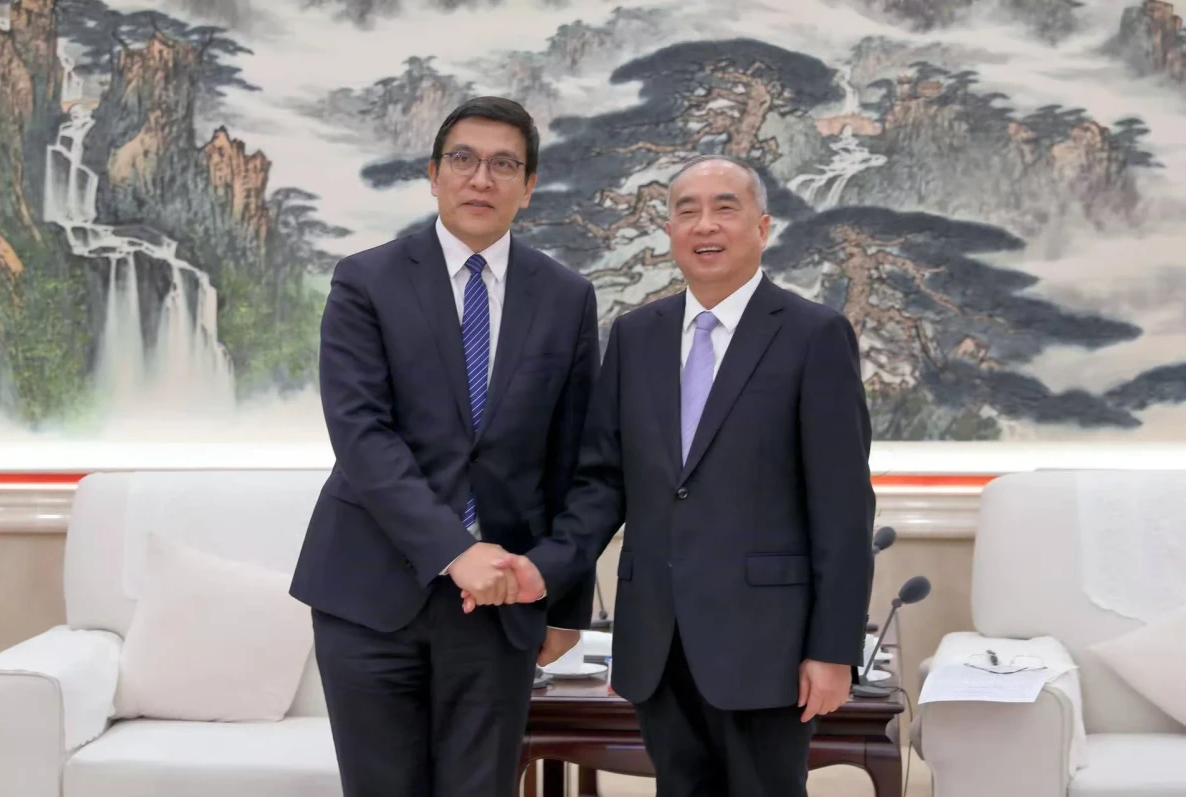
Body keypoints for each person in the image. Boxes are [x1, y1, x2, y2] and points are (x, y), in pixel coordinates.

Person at [473, 154, 876, 796]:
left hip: (767, 644)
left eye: (724, 208)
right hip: (657, 642)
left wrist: (833, 650)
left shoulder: (813, 335)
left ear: (762, 226)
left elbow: (844, 508)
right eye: (687, 210)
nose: (704, 224)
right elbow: (602, 483)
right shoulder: (637, 336)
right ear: (669, 232)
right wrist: (545, 568)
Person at [289, 96, 597, 797]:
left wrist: (562, 601)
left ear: (529, 186)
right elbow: (362, 434)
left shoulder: (566, 296)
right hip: (370, 592)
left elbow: (573, 458)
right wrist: (456, 551)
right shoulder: (366, 280)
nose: (481, 178)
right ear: (433, 175)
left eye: (504, 164)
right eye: (463, 159)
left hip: (500, 602)